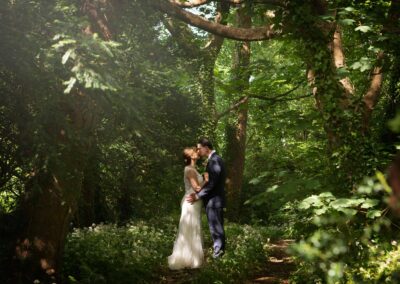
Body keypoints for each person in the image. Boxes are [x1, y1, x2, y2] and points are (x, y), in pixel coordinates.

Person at [187, 137, 226, 259]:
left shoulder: (215, 160)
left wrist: (198, 196)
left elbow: (212, 183)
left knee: (216, 228)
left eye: (199, 148)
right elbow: (209, 181)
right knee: (215, 227)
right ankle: (219, 253)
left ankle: (218, 255)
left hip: (214, 201)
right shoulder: (214, 160)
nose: (198, 151)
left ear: (206, 148)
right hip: (214, 200)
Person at [168, 147, 205, 270]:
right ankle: (187, 260)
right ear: (190, 157)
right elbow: (197, 188)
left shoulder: (193, 169)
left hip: (195, 201)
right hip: (191, 202)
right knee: (190, 228)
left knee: (193, 227)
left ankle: (190, 259)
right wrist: (206, 179)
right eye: (193, 152)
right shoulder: (189, 169)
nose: (196, 152)